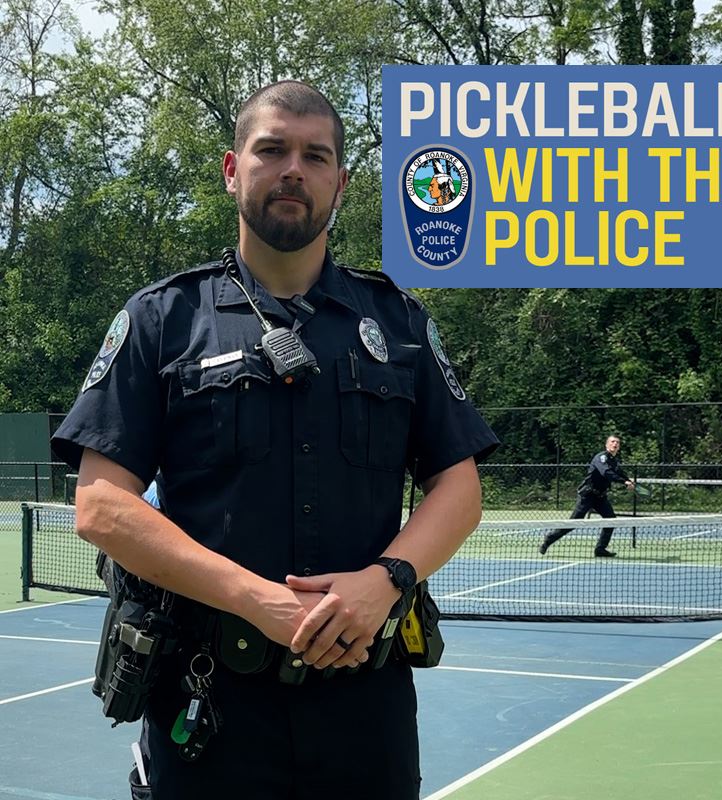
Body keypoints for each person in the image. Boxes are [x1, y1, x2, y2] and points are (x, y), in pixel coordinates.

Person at [51, 80, 499, 800]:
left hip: (365, 710)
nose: (295, 169)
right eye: (273, 150)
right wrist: (256, 599)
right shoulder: (163, 319)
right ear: (233, 170)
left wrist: (387, 581)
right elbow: (101, 506)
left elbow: (460, 487)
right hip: (209, 711)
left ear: (340, 183)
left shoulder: (399, 324)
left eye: (316, 155)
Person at [539, 435, 635, 558]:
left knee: (611, 519)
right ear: (607, 445)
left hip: (600, 497)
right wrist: (624, 482)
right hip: (587, 495)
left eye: (617, 442)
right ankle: (548, 540)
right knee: (573, 523)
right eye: (612, 442)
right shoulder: (601, 458)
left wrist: (628, 480)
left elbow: (620, 472)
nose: (615, 444)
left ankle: (600, 549)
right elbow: (606, 472)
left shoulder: (614, 460)